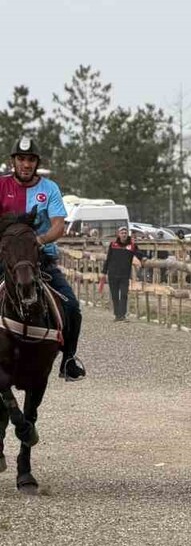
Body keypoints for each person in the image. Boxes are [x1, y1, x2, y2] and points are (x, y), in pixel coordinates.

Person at [0, 137, 87, 380]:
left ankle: (68, 360)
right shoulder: (0, 186)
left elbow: (59, 226)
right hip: (6, 260)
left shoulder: (50, 189)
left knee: (72, 306)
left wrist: (38, 241)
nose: (26, 164)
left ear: (36, 163)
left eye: (30, 160)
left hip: (41, 259)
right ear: (13, 161)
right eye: (21, 159)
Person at [104, 226, 144, 321]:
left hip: (124, 274)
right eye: (122, 233)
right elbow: (108, 258)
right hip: (113, 274)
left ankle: (123, 314)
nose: (124, 234)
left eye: (125, 233)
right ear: (119, 234)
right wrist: (104, 271)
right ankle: (117, 315)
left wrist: (140, 258)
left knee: (124, 294)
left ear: (127, 234)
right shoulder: (113, 244)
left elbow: (140, 254)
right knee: (114, 295)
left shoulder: (132, 245)